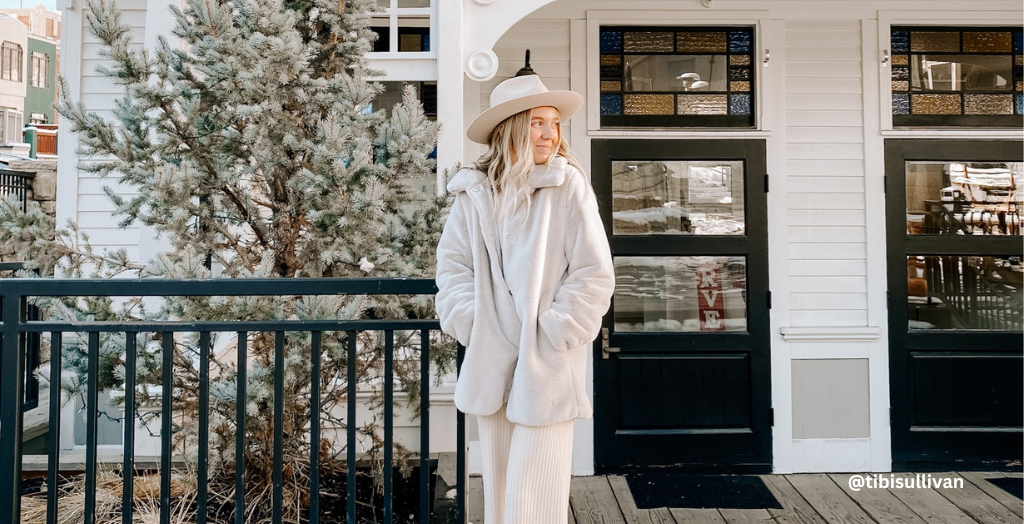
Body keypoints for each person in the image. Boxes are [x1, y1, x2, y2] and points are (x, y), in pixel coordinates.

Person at [435, 51, 615, 524]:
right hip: (491, 355)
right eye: (537, 122)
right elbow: (452, 267)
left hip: (546, 361)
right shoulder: (474, 193)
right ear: (512, 127)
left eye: (554, 123)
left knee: (535, 495)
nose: (550, 133)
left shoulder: (567, 185)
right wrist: (474, 323)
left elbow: (594, 272)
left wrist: (558, 329)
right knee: (498, 489)